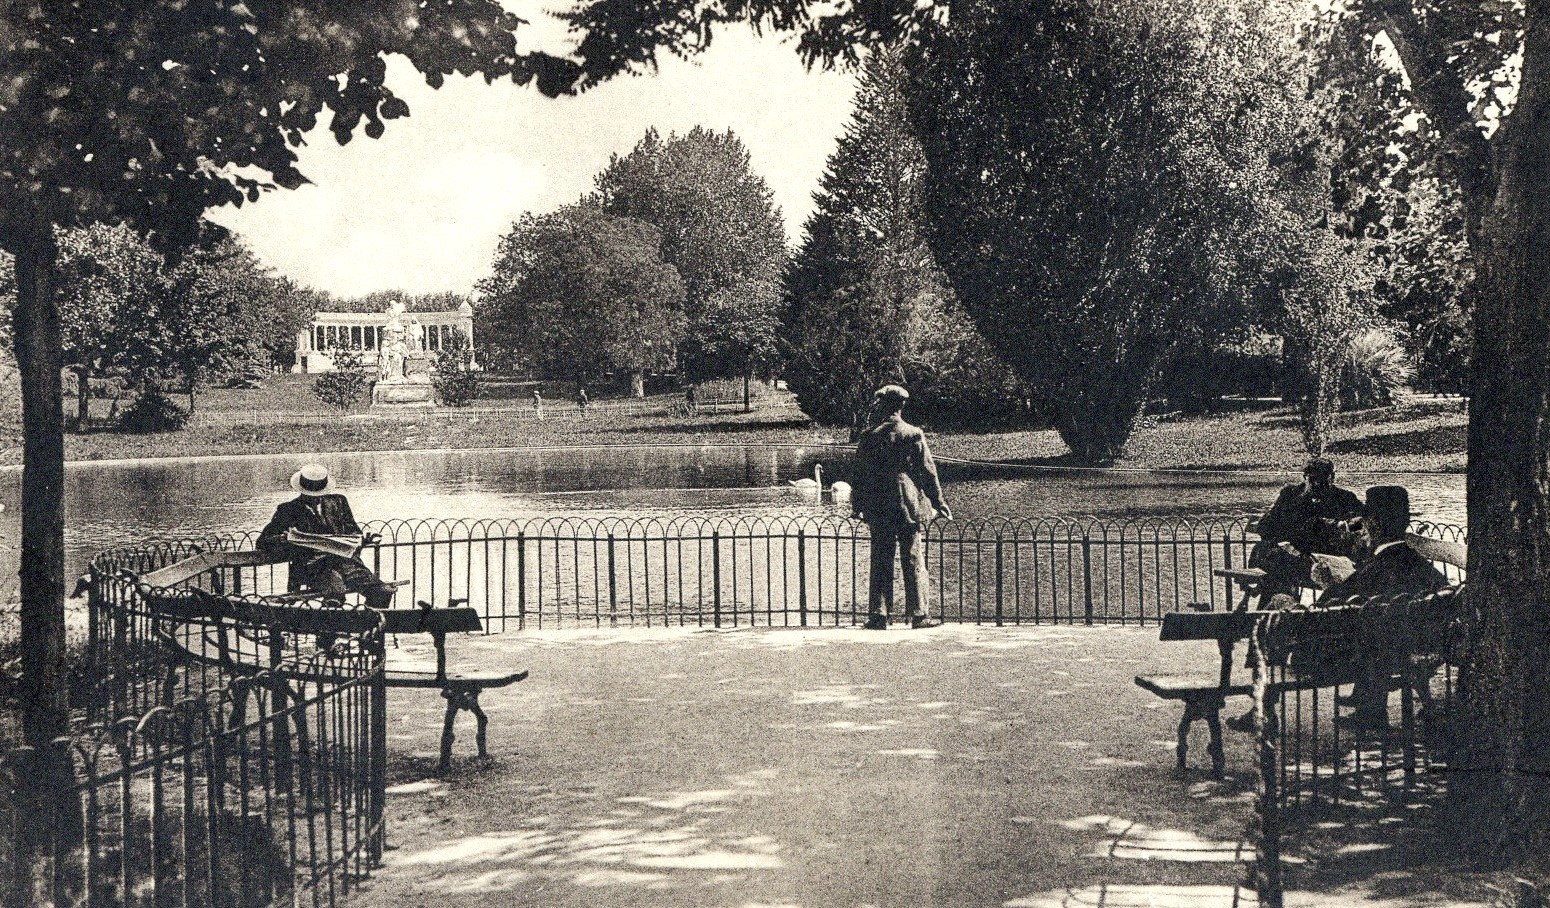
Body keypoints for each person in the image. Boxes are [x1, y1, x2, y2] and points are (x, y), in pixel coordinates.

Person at [1319, 485, 1449, 730]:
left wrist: (1327, 583)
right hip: (1419, 648)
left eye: (1363, 524)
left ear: (1375, 524)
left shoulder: (1372, 573)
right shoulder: (1425, 569)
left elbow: (1328, 610)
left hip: (1358, 656)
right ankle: (1369, 706)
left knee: (1280, 604)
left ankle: (1260, 707)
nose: (1362, 532)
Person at [852, 384, 952, 630]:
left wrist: (858, 504)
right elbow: (928, 472)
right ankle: (919, 615)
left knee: (881, 558)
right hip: (908, 503)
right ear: (902, 406)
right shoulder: (913, 433)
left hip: (879, 504)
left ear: (883, 405)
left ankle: (879, 615)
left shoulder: (869, 436)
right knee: (913, 557)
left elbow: (859, 475)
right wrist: (938, 501)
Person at [257, 464, 397, 608]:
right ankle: (332, 628)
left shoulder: (339, 502)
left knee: (382, 591)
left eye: (318, 495)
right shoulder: (288, 509)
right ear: (302, 491)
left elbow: (353, 531)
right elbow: (262, 542)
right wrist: (283, 539)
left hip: (346, 562)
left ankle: (371, 623)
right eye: (309, 496)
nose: (315, 499)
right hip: (313, 567)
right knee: (335, 594)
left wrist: (363, 538)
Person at [1249, 458, 1362, 604]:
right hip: (1292, 556)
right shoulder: (1290, 495)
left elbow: (1362, 521)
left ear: (1332, 478)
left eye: (1323, 480)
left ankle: (1276, 610)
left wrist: (1338, 525)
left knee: (1277, 569)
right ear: (1304, 478)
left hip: (1323, 562)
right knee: (1274, 559)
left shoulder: (1345, 498)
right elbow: (1265, 526)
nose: (1317, 485)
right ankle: (1278, 609)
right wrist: (1288, 539)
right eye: (1313, 480)